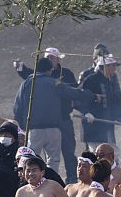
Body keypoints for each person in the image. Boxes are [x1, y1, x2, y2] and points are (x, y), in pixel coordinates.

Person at [15, 48, 80, 183]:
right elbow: (72, 92)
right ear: (49, 70)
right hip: (53, 128)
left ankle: (29, 181)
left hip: (34, 129)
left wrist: (21, 127)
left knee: (30, 157)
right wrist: (91, 96)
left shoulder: (27, 83)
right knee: (53, 159)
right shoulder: (52, 82)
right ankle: (51, 183)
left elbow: (18, 106)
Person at [80, 55, 121, 148]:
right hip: (93, 126)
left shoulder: (111, 81)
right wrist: (86, 112)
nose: (114, 69)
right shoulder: (91, 80)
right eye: (112, 66)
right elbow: (79, 97)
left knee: (112, 153)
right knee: (97, 154)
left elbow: (115, 103)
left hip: (107, 124)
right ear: (105, 67)